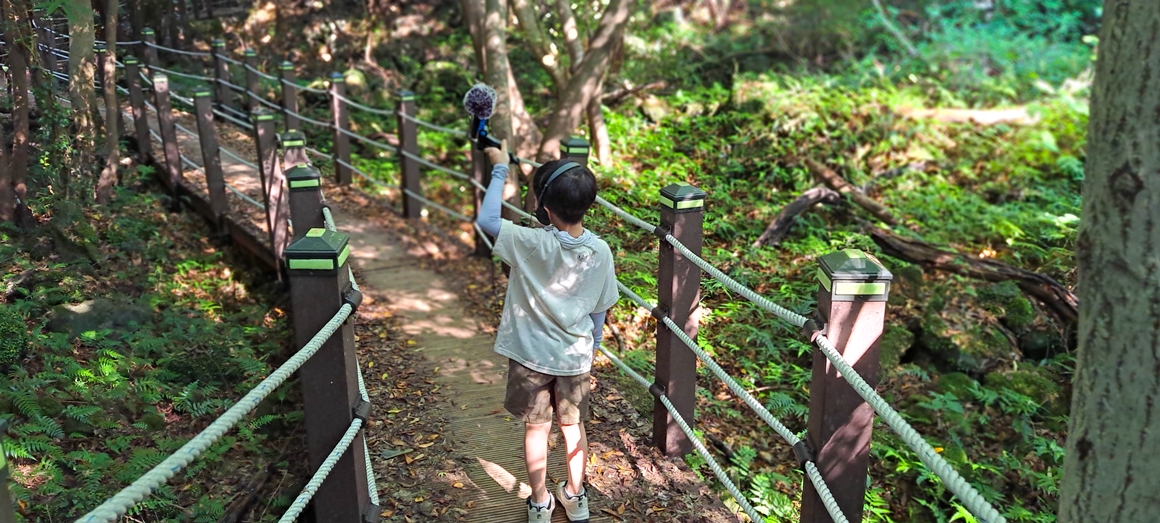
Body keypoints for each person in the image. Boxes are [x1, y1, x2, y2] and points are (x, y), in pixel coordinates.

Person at [475, 139, 619, 523]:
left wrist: (500, 167)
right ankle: (575, 497)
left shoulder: (530, 242)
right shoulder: (600, 252)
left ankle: (539, 503)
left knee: (536, 429)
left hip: (530, 356)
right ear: (589, 204)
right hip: (575, 357)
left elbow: (487, 221)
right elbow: (600, 309)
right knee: (574, 428)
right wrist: (593, 347)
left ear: (544, 207)